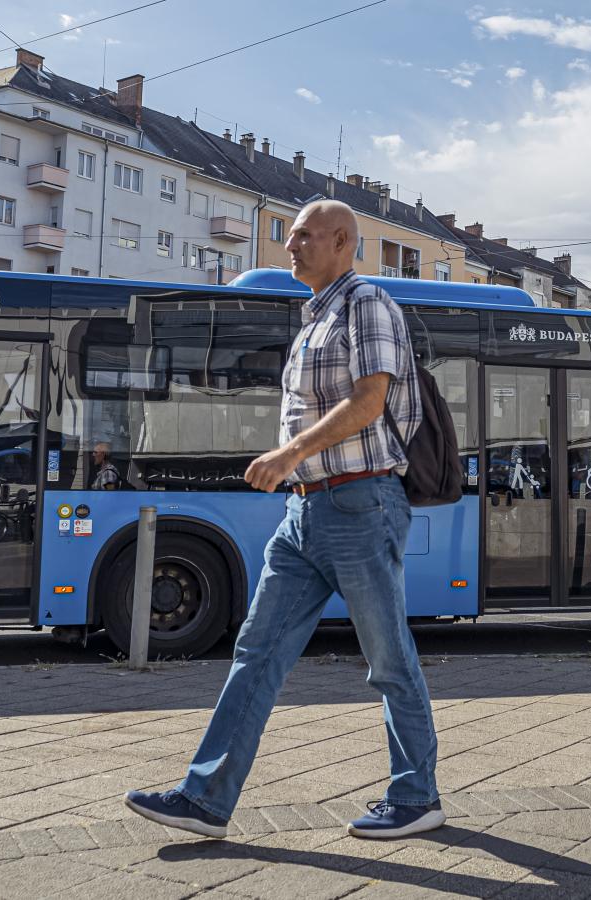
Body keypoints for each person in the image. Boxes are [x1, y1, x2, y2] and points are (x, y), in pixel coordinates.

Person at [124, 200, 442, 840]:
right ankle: (205, 797)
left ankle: (417, 797)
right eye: (290, 237)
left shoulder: (367, 302)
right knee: (257, 650)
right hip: (305, 511)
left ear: (342, 241)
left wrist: (291, 452)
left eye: (301, 237)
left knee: (388, 659)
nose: (288, 248)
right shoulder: (314, 316)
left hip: (360, 503)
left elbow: (370, 399)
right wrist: (296, 471)